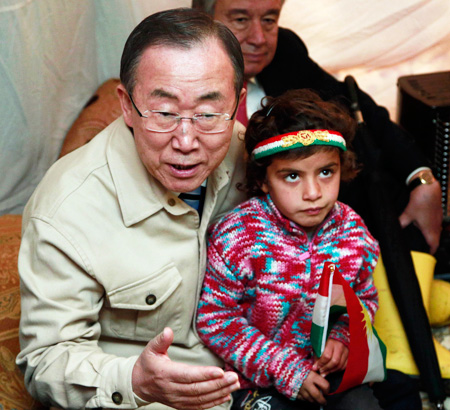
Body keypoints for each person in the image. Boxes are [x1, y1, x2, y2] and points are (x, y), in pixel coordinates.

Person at [17, 8, 249, 410]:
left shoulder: (250, 156)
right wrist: (134, 381)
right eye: (164, 113)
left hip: (255, 379)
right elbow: (44, 361)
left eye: (209, 113)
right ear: (126, 105)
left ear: (237, 105)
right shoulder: (67, 209)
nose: (187, 140)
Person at [196, 89, 421, 409]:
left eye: (326, 172)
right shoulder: (237, 237)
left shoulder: (354, 232)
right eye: (291, 176)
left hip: (330, 375)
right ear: (262, 179)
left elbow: (364, 299)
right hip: (258, 381)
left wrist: (342, 338)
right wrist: (286, 370)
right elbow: (216, 318)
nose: (313, 192)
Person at [192, 0, 442, 255]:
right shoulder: (178, 78)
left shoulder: (284, 52)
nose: (259, 38)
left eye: (269, 20)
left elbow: (356, 105)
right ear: (203, 20)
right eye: (241, 20)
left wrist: (422, 179)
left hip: (317, 236)